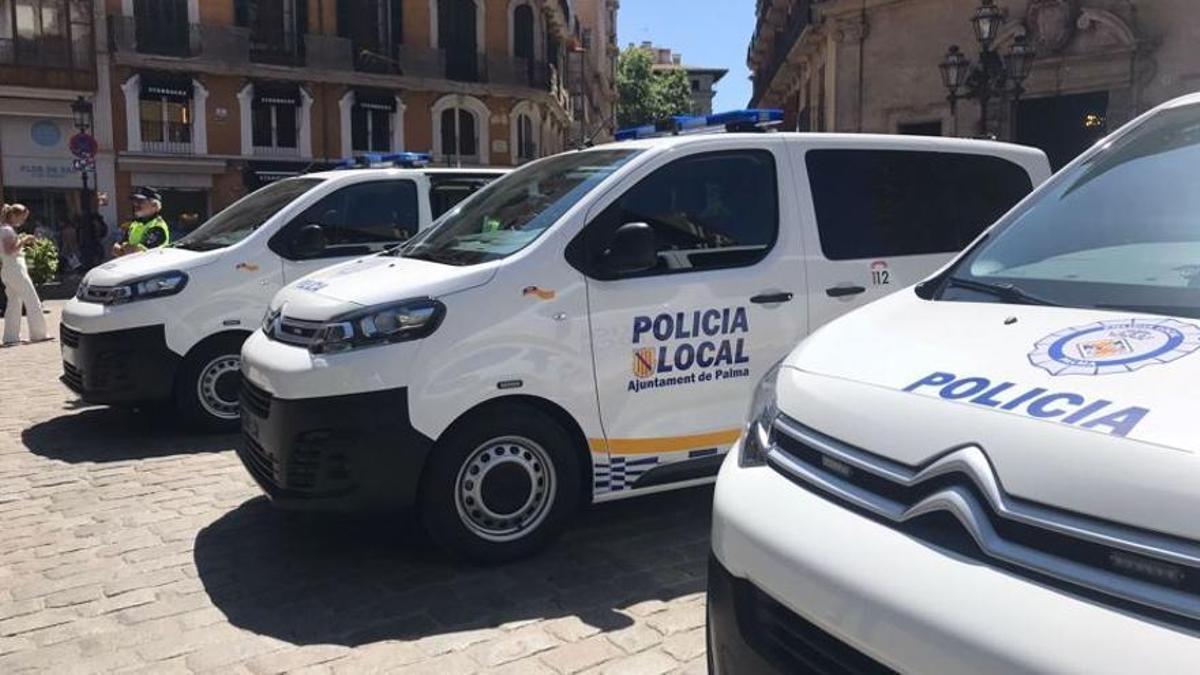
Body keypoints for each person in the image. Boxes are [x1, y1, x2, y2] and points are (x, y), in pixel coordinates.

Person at [1, 203, 50, 346]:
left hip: (8, 269)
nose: (22, 221)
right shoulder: (8, 231)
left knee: (14, 302)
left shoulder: (4, 229)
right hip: (15, 268)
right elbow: (10, 250)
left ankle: (11, 337)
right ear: (14, 215)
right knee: (32, 299)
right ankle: (38, 334)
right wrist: (25, 240)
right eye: (22, 218)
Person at [114, 187, 170, 257]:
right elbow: (116, 248)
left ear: (154, 206)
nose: (136, 205)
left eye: (141, 201)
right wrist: (125, 248)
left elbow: (139, 253)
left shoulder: (158, 227)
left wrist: (125, 248)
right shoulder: (135, 224)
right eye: (135, 201)